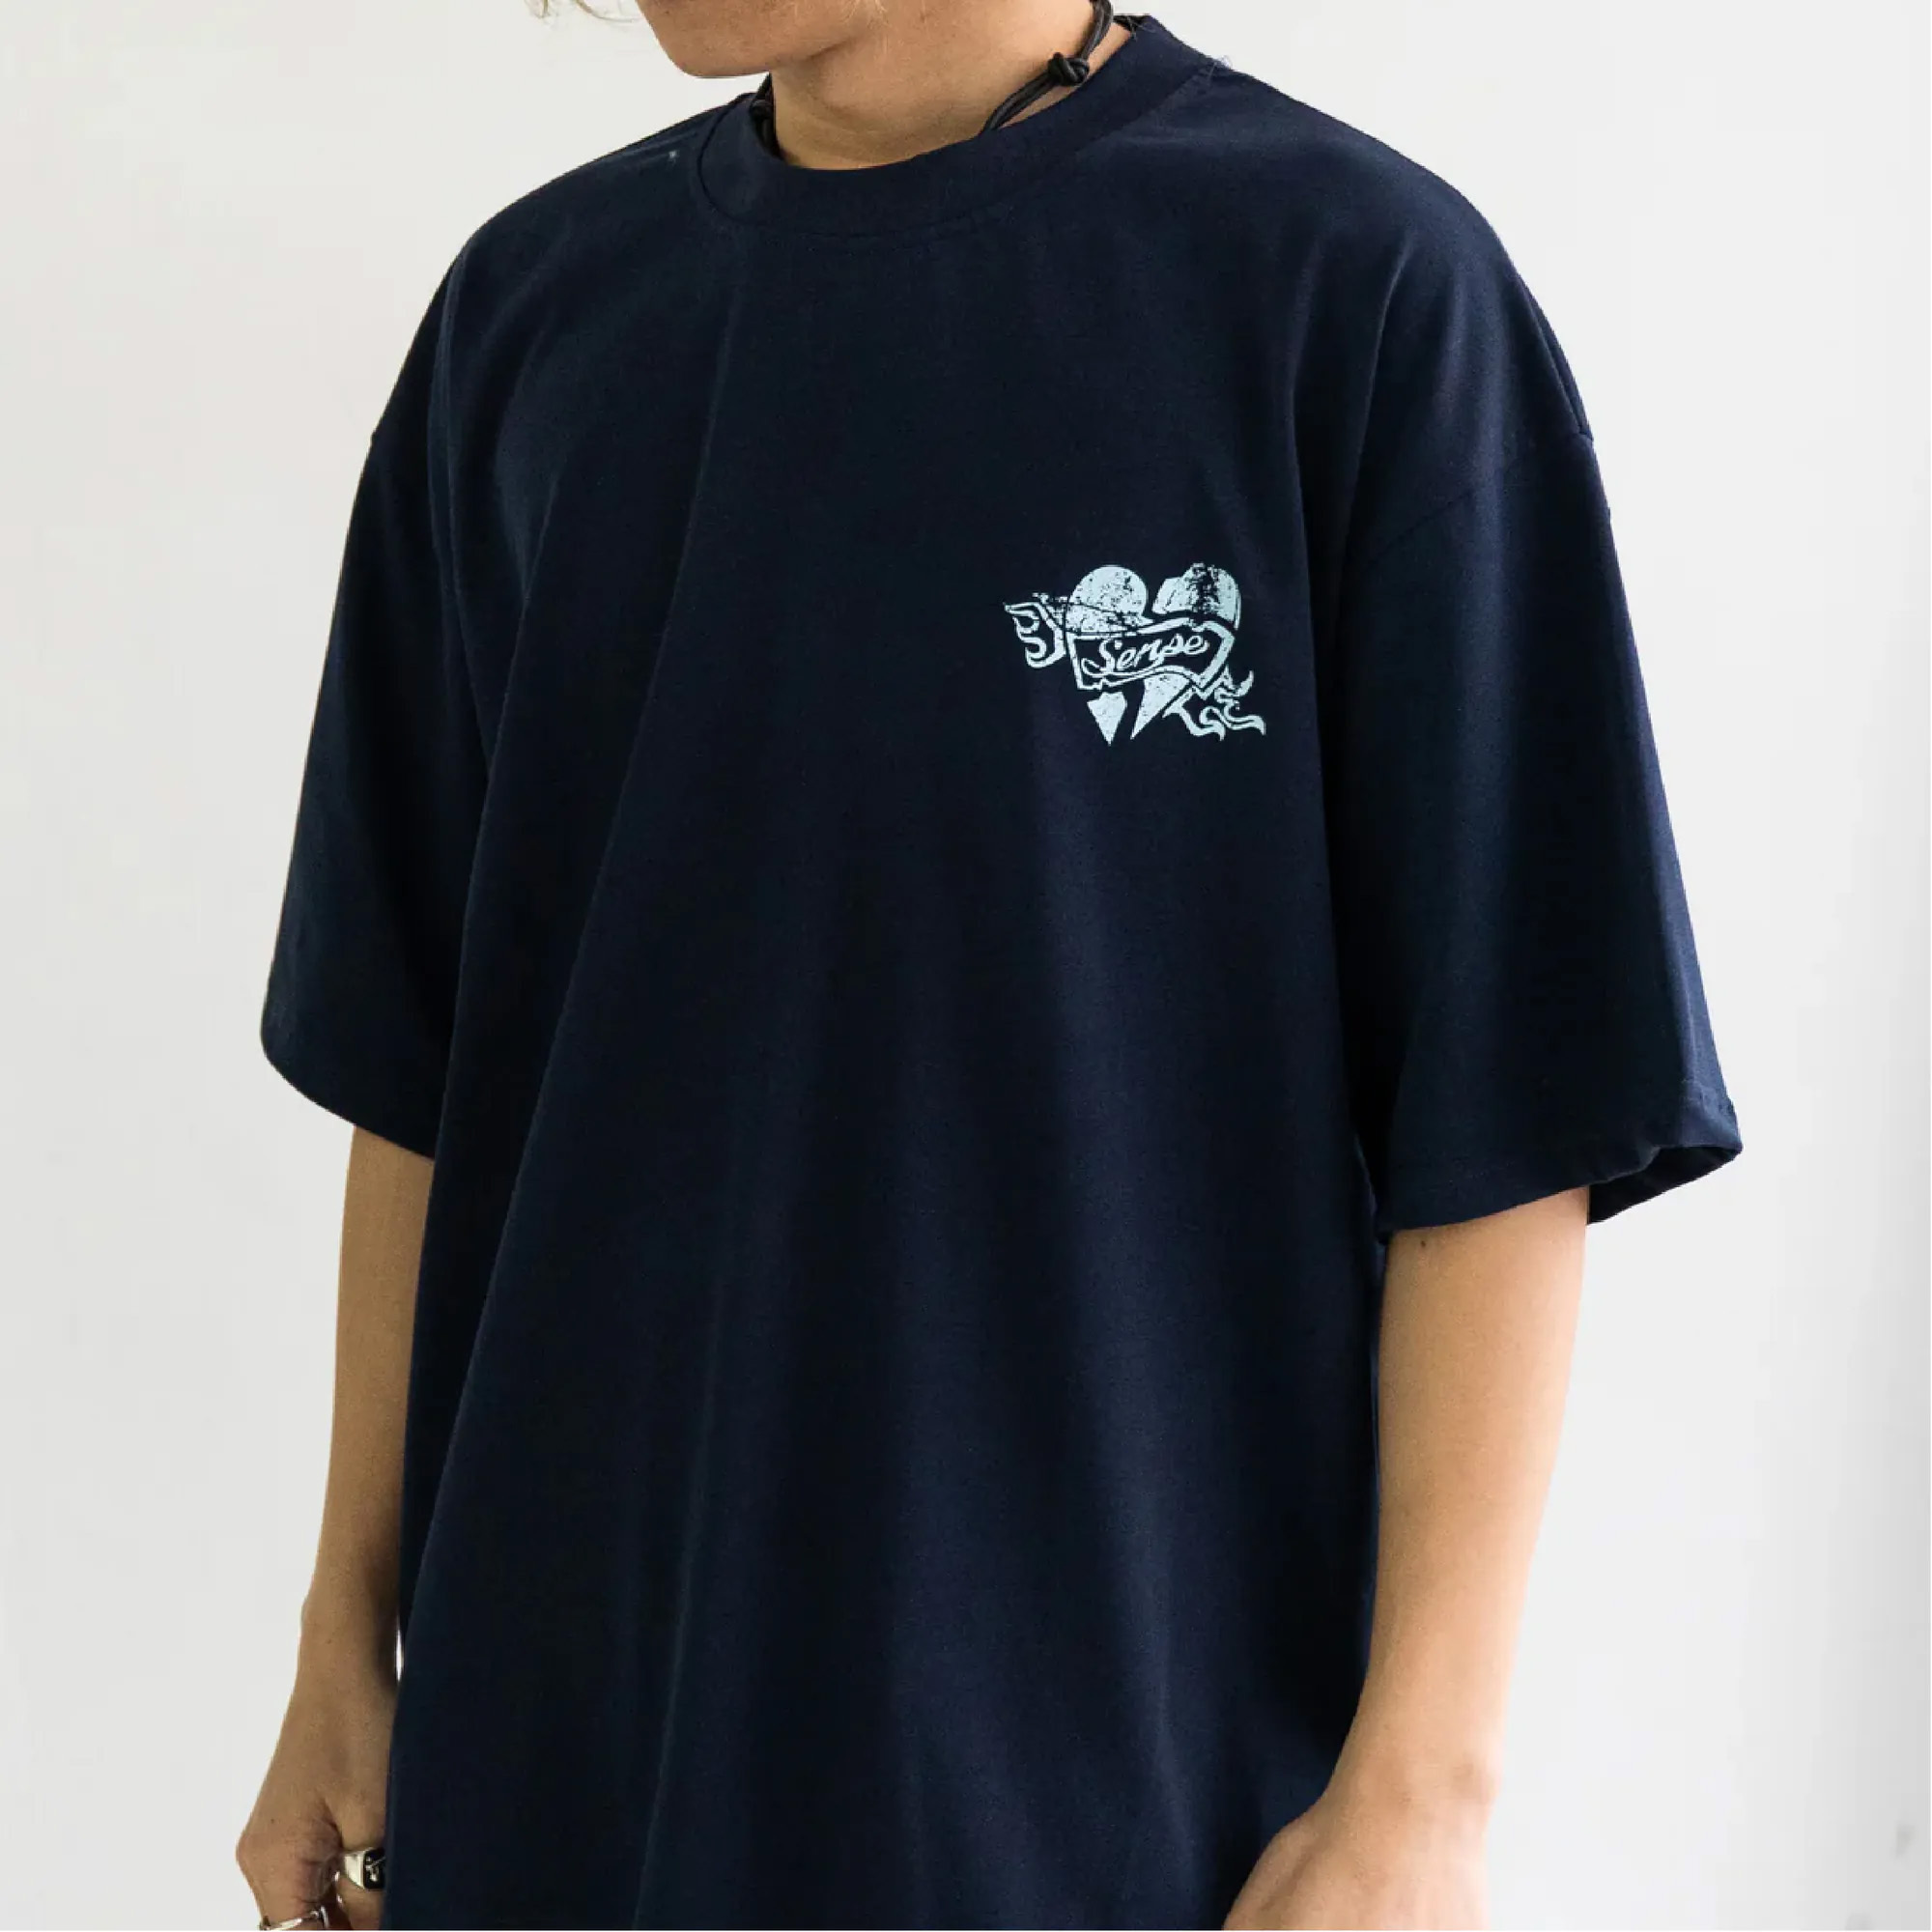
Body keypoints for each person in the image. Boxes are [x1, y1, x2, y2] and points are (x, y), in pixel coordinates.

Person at [236, 1, 1744, 1926]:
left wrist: (1422, 1797)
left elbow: (1509, 1104)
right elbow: (423, 1073)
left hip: (1113, 1798)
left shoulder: (1348, 292)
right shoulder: (531, 320)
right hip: (561, 1764)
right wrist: (343, 1640)